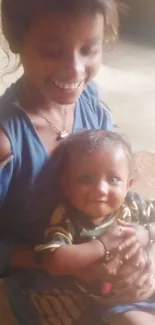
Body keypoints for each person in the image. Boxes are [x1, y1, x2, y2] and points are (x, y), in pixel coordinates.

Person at [0, 0, 154, 324]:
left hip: (105, 252)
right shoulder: (6, 143)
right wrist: (75, 261)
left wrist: (138, 239)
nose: (74, 71)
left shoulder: (89, 100)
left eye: (89, 50)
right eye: (53, 51)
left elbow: (117, 183)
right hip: (46, 274)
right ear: (16, 40)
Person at [34, 130, 155, 324]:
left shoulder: (132, 204)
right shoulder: (68, 218)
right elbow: (54, 261)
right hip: (119, 300)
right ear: (67, 186)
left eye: (113, 179)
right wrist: (101, 246)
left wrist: (146, 233)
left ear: (128, 184)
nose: (100, 189)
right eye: (86, 179)